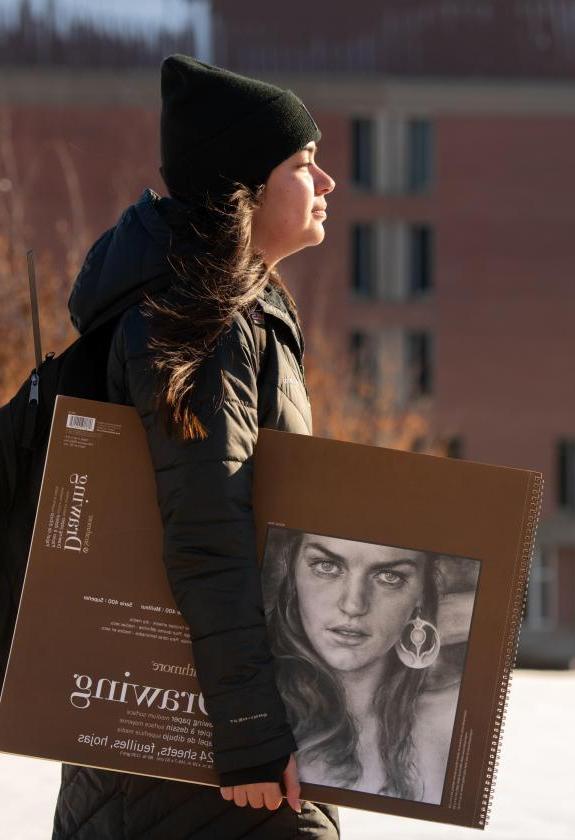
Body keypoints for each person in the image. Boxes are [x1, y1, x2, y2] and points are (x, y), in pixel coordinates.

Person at [52, 54, 339, 839]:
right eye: (303, 163)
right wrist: (249, 731)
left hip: (183, 747)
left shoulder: (219, 307)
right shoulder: (203, 324)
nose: (326, 183)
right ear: (243, 188)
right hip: (210, 761)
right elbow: (208, 536)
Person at [265, 530, 467, 805]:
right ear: (293, 575)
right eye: (327, 566)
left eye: (389, 577)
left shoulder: (447, 723)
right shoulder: (252, 708)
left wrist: (432, 619)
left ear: (422, 591)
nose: (353, 605)